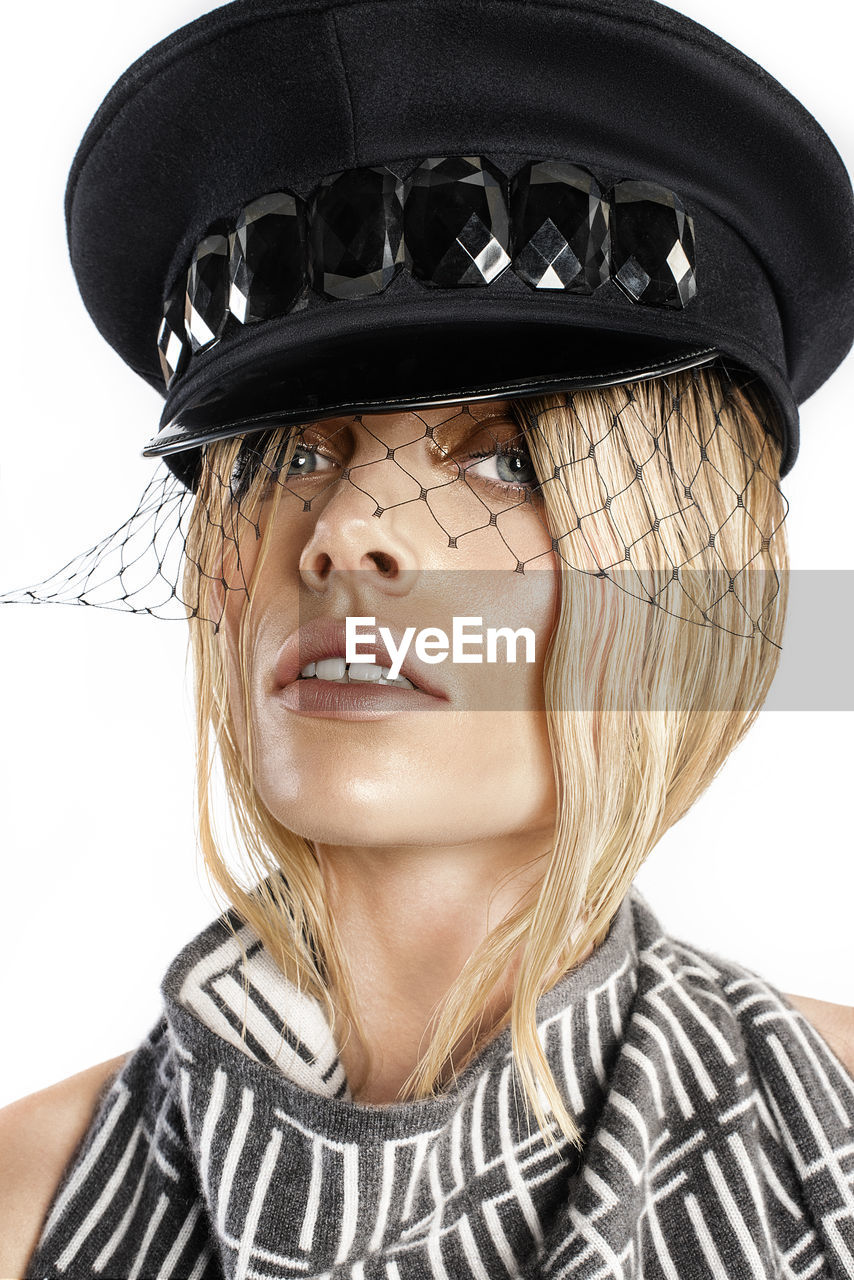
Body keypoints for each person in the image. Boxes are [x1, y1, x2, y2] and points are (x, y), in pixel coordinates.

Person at [2, 0, 853, 1276]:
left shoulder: (827, 1151)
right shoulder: (24, 1209)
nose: (345, 533)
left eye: (505, 459)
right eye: (296, 451)